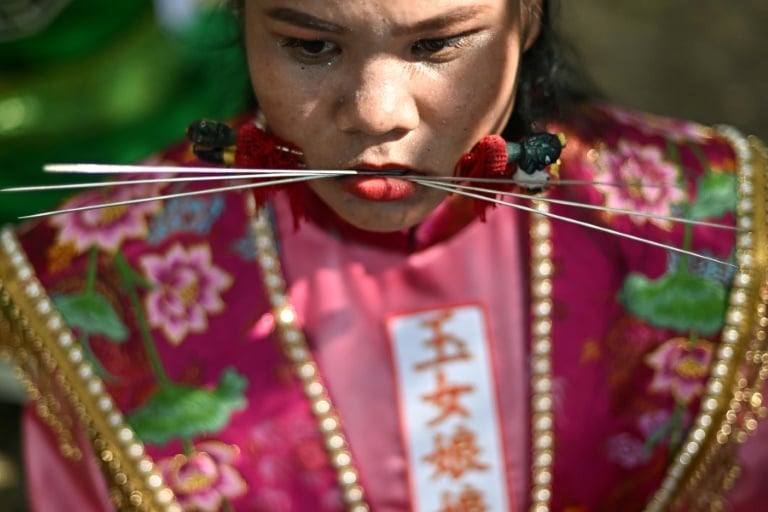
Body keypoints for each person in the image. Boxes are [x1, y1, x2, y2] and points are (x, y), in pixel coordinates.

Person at [1, 1, 766, 511]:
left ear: (525, 16)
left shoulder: (712, 229)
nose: (376, 114)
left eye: (435, 45)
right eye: (309, 46)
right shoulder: (107, 276)